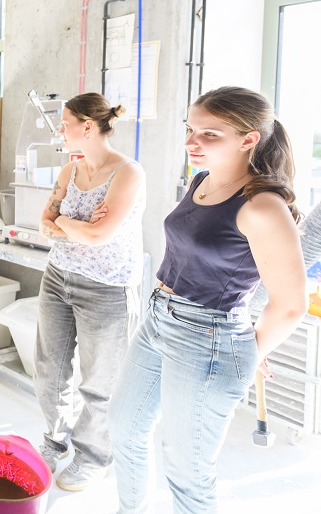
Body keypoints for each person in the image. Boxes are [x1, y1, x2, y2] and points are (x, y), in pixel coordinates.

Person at [109, 86, 307, 514]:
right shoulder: (201, 181)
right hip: (159, 319)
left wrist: (253, 349)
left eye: (209, 135)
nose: (190, 143)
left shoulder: (262, 206)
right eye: (189, 130)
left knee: (188, 474)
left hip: (210, 338)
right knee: (124, 429)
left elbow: (290, 304)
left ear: (248, 139)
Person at [34, 93, 146, 491]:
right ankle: (53, 441)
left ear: (87, 126)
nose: (59, 130)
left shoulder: (128, 173)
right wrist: (70, 223)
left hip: (108, 288)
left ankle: (94, 456)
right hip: (58, 277)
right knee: (50, 371)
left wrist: (65, 221)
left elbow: (99, 235)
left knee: (99, 382)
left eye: (64, 123)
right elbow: (44, 224)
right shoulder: (69, 171)